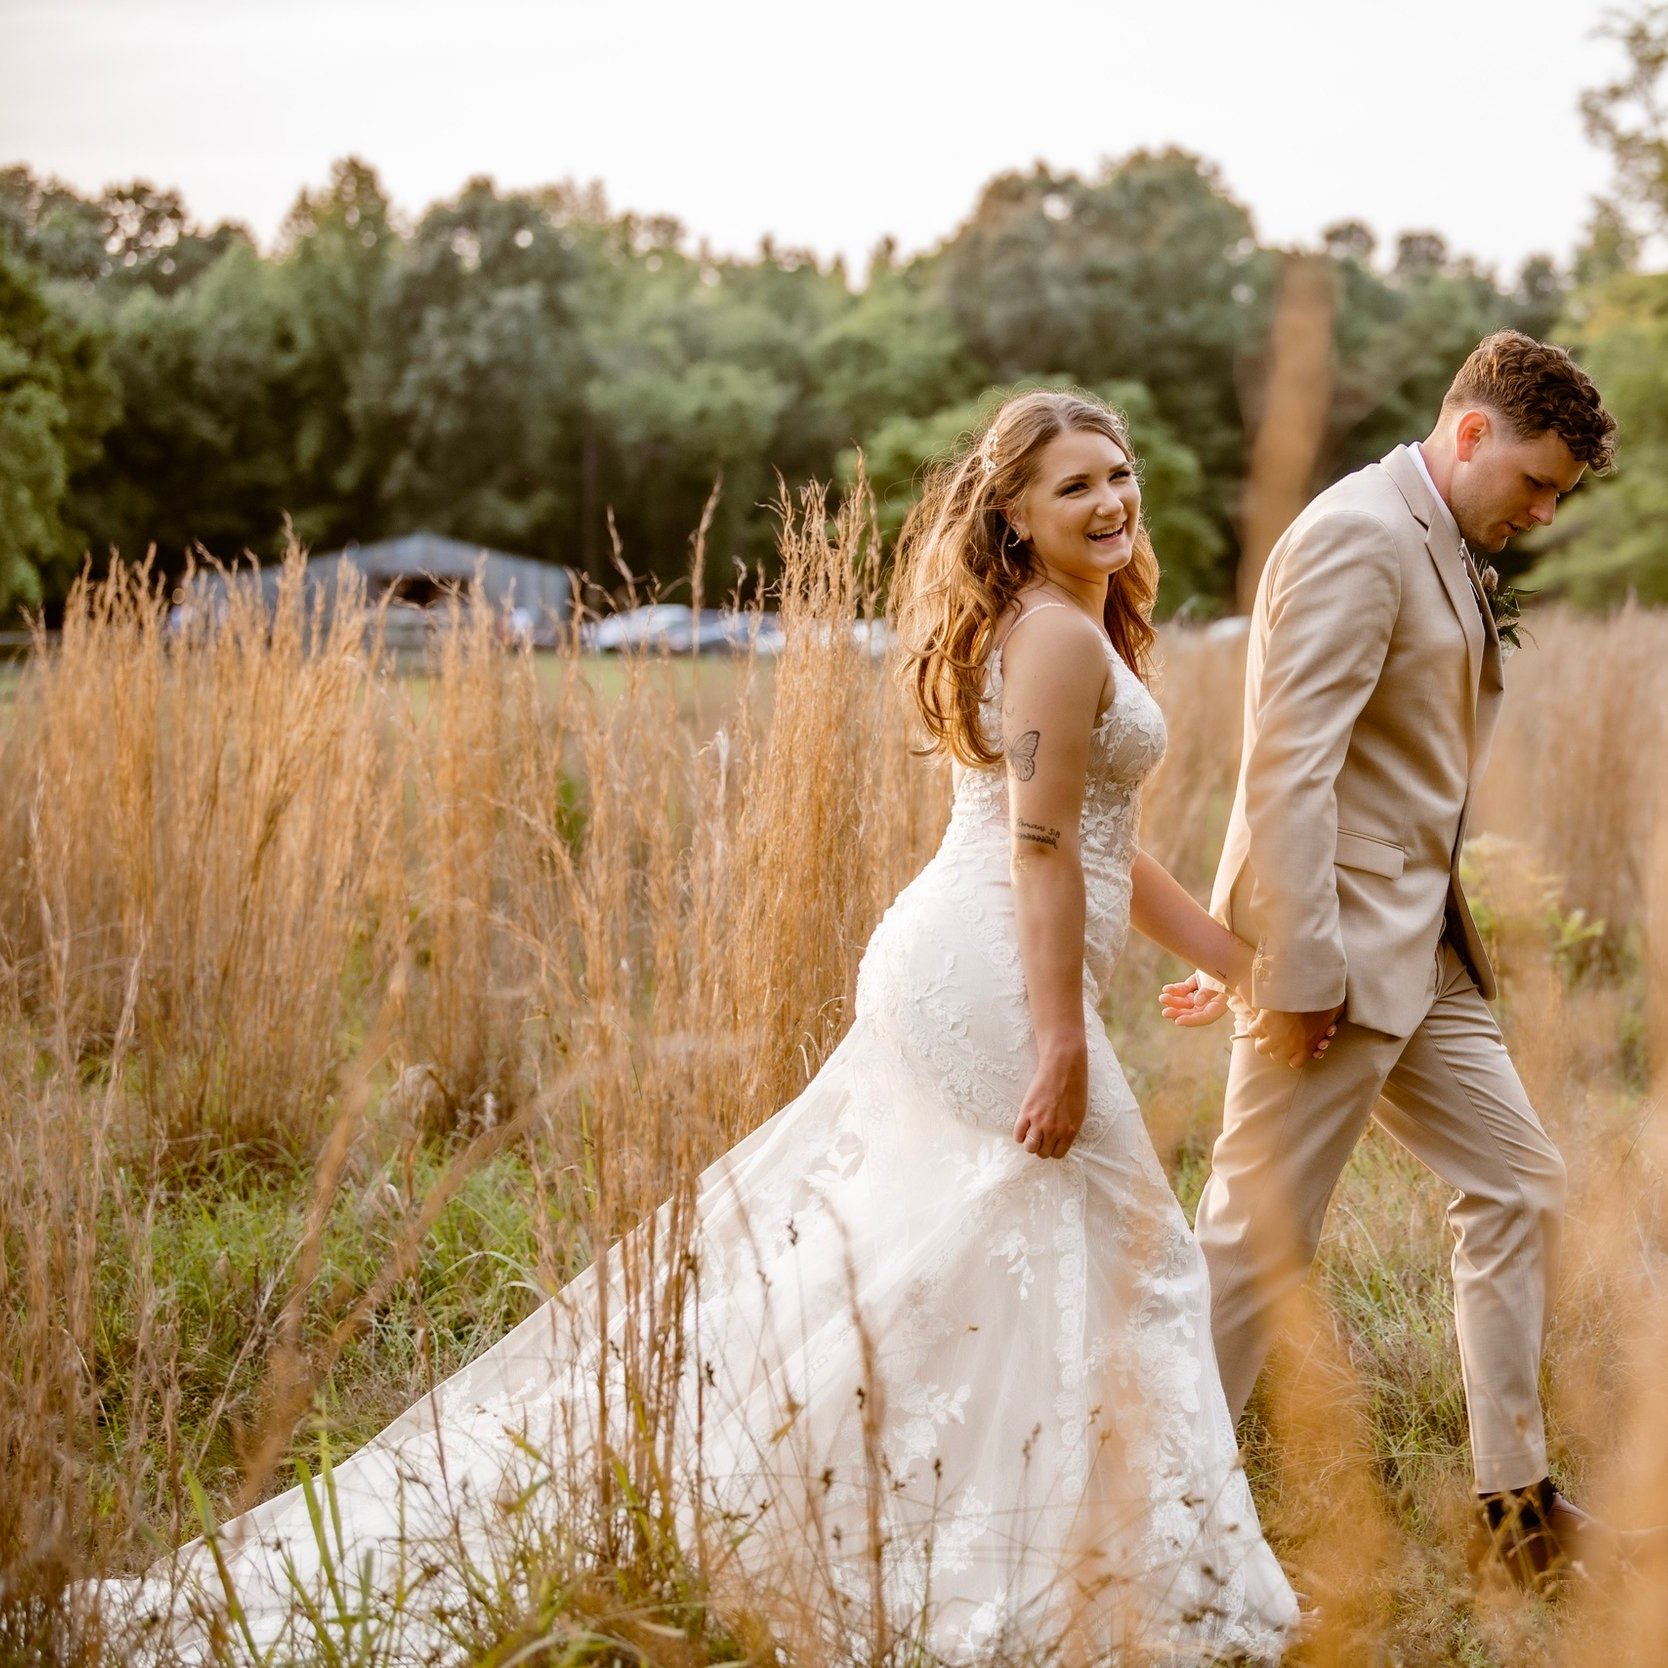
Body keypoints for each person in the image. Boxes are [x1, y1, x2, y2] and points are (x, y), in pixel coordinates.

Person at [112, 389, 1299, 1664]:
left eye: (1118, 474)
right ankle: (1070, 1576)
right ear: (1012, 511)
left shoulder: (1070, 624)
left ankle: (1031, 1545)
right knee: (1137, 1252)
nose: (1112, 499)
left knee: (967, 1260)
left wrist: (1235, 961)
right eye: (1076, 485)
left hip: (970, 959)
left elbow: (1109, 846)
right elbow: (1046, 845)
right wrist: (1064, 1041)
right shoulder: (1055, 637)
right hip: (989, 977)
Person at [1162, 331, 1617, 1587]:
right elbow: (1287, 760)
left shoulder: (1444, 541)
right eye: (1534, 481)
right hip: (1341, 962)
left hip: (1426, 950)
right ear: (1470, 433)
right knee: (1256, 1242)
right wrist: (1280, 964)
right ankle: (1156, 1530)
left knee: (1521, 1185)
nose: (1540, 510)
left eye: (1558, 496)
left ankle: (1513, 1518)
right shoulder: (1359, 534)